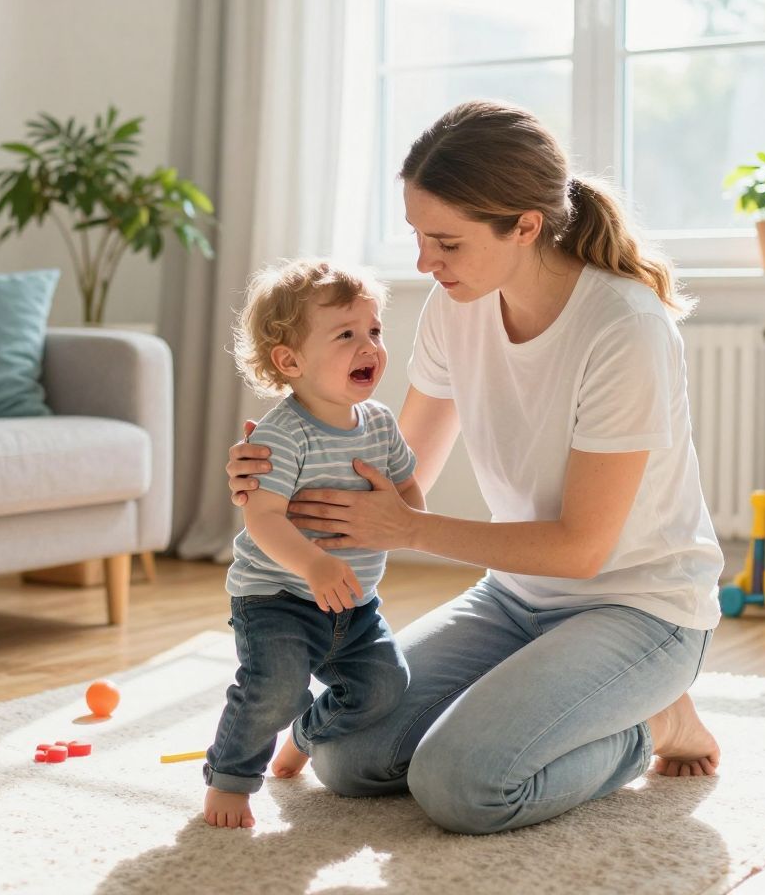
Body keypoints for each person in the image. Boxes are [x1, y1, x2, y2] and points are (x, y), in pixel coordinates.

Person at [226, 101, 724, 836]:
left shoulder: (624, 327)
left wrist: (411, 530)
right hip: (515, 598)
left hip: (640, 608)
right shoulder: (456, 305)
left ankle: (652, 723)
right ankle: (567, 702)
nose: (425, 262)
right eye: (418, 235)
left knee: (462, 785)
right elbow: (393, 479)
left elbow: (581, 551)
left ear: (524, 226)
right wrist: (285, 465)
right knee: (347, 753)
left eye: (447, 242)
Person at [204, 258, 424, 829]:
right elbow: (263, 518)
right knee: (274, 689)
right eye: (346, 334)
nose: (369, 346)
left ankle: (305, 735)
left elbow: (409, 494)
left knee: (385, 686)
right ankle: (230, 778)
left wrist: (407, 514)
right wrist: (315, 563)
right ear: (290, 361)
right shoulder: (283, 434)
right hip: (278, 599)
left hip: (354, 605)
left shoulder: (380, 424)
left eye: (374, 330)